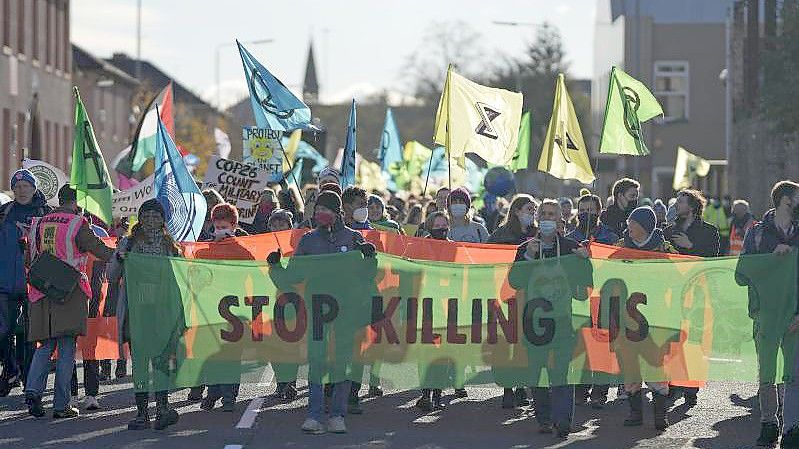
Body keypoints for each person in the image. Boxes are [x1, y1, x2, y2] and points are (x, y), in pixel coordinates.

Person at [267, 189, 377, 434]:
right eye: (317, 210)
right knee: (316, 362)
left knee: (341, 362)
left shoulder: (353, 239)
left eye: (325, 210)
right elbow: (293, 278)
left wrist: (370, 258)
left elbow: (367, 276)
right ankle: (314, 415)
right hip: (317, 309)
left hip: (346, 310)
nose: (320, 214)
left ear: (337, 212)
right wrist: (275, 266)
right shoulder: (307, 241)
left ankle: (337, 415)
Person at [24, 185, 114, 419]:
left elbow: (28, 256)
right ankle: (61, 404)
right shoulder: (77, 223)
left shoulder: (40, 222)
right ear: (77, 201)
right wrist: (121, 254)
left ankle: (33, 390)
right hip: (69, 290)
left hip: (41, 290)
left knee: (44, 345)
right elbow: (97, 248)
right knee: (66, 347)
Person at [509, 199, 590, 437]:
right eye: (542, 214)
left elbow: (584, 289)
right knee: (536, 371)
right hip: (534, 322)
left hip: (562, 319)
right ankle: (544, 418)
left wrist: (585, 262)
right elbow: (515, 282)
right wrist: (528, 258)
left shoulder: (570, 247)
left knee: (561, 371)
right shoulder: (525, 248)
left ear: (559, 220)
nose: (546, 218)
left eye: (551, 214)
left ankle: (563, 420)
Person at [107, 199, 183, 430]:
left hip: (163, 311)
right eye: (146, 215)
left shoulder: (171, 245)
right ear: (139, 218)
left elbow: (181, 276)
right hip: (136, 312)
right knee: (140, 363)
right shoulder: (128, 243)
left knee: (161, 361)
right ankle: (141, 414)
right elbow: (111, 275)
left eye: (156, 215)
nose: (151, 219)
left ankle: (162, 409)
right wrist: (119, 258)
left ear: (163, 220)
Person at [737, 181, 799, 448]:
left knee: (794, 376)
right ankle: (768, 423)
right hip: (766, 314)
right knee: (767, 373)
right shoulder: (757, 234)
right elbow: (742, 274)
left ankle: (791, 427)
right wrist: (772, 259)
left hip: (795, 315)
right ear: (785, 200)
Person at [616, 206, 676, 431]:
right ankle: (635, 413)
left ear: (645, 226)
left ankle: (660, 415)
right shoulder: (621, 248)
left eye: (634, 225)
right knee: (630, 365)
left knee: (655, 365)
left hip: (655, 318)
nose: (629, 229)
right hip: (628, 318)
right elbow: (606, 271)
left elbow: (679, 275)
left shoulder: (665, 248)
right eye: (629, 224)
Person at [663, 189, 719, 407]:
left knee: (694, 341)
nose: (677, 205)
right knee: (674, 338)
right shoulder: (668, 231)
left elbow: (712, 259)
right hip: (674, 292)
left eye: (681, 201)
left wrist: (690, 247)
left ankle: (690, 386)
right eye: (676, 201)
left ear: (693, 207)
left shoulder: (709, 232)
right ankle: (673, 383)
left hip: (698, 292)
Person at [0, 169, 50, 397]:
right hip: (4, 282)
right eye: (17, 186)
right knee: (3, 331)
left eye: (25, 186)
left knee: (31, 334)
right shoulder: (4, 212)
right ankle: (9, 369)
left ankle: (29, 378)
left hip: (35, 283)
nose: (21, 191)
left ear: (34, 187)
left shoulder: (45, 213)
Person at [566, 193, 619, 408]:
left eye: (591, 210)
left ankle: (600, 390)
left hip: (603, 297)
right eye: (583, 210)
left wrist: (594, 254)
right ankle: (580, 387)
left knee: (602, 344)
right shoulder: (570, 237)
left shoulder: (609, 236)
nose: (586, 214)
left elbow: (614, 263)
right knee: (579, 345)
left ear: (599, 212)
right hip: (578, 297)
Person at [487, 194, 537, 408]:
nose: (532, 213)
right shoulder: (501, 234)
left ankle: (521, 388)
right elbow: (488, 258)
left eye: (534, 209)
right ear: (516, 211)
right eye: (528, 209)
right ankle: (508, 388)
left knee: (526, 344)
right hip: (507, 294)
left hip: (532, 295)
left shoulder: (538, 234)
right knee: (508, 341)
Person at [201, 203, 248, 412]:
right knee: (212, 354)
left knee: (231, 354)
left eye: (224, 225)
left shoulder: (242, 251)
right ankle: (213, 391)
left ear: (234, 225)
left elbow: (253, 277)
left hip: (234, 312)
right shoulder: (205, 251)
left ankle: (228, 396)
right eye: (217, 225)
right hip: (211, 310)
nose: (220, 229)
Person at [415, 210, 449, 411]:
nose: (441, 230)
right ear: (429, 228)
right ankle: (425, 393)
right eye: (437, 227)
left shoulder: (455, 248)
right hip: (425, 305)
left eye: (444, 226)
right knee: (425, 352)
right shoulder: (420, 247)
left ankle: (438, 393)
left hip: (447, 307)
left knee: (443, 353)